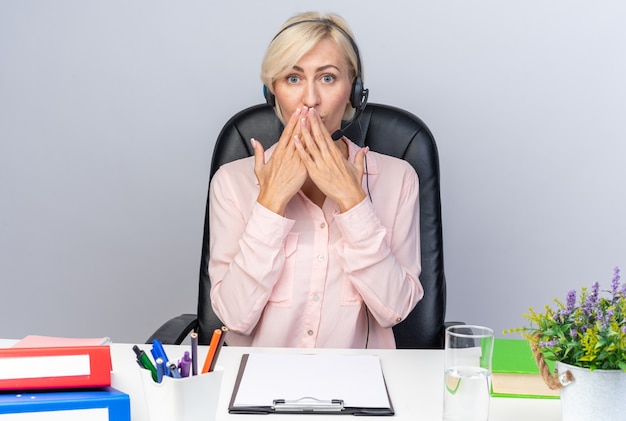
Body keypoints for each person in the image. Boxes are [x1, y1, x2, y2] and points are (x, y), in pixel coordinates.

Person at [208, 11, 424, 348]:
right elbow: (234, 318)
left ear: (353, 90)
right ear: (272, 92)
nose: (310, 100)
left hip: (359, 388)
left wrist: (354, 203)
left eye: (327, 78)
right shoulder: (232, 183)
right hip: (259, 388)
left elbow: (394, 310)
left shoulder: (399, 180)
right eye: (293, 79)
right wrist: (270, 204)